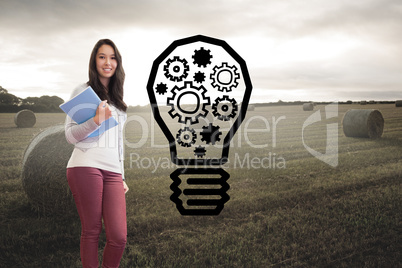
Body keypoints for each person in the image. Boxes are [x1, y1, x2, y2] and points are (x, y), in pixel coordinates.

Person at [65, 39, 129, 268]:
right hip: (85, 165)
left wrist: (121, 176)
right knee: (92, 230)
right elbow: (70, 136)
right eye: (102, 56)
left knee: (119, 236)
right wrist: (95, 121)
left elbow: (119, 143)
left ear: (117, 63)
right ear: (94, 60)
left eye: (112, 57)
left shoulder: (118, 100)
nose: (107, 62)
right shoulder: (82, 91)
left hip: (112, 171)